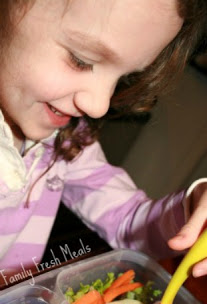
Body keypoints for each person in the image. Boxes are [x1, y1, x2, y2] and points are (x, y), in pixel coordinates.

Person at [0, 0, 206, 278]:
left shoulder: (69, 139)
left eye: (124, 77)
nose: (100, 106)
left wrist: (190, 210)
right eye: (81, 60)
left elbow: (129, 222)